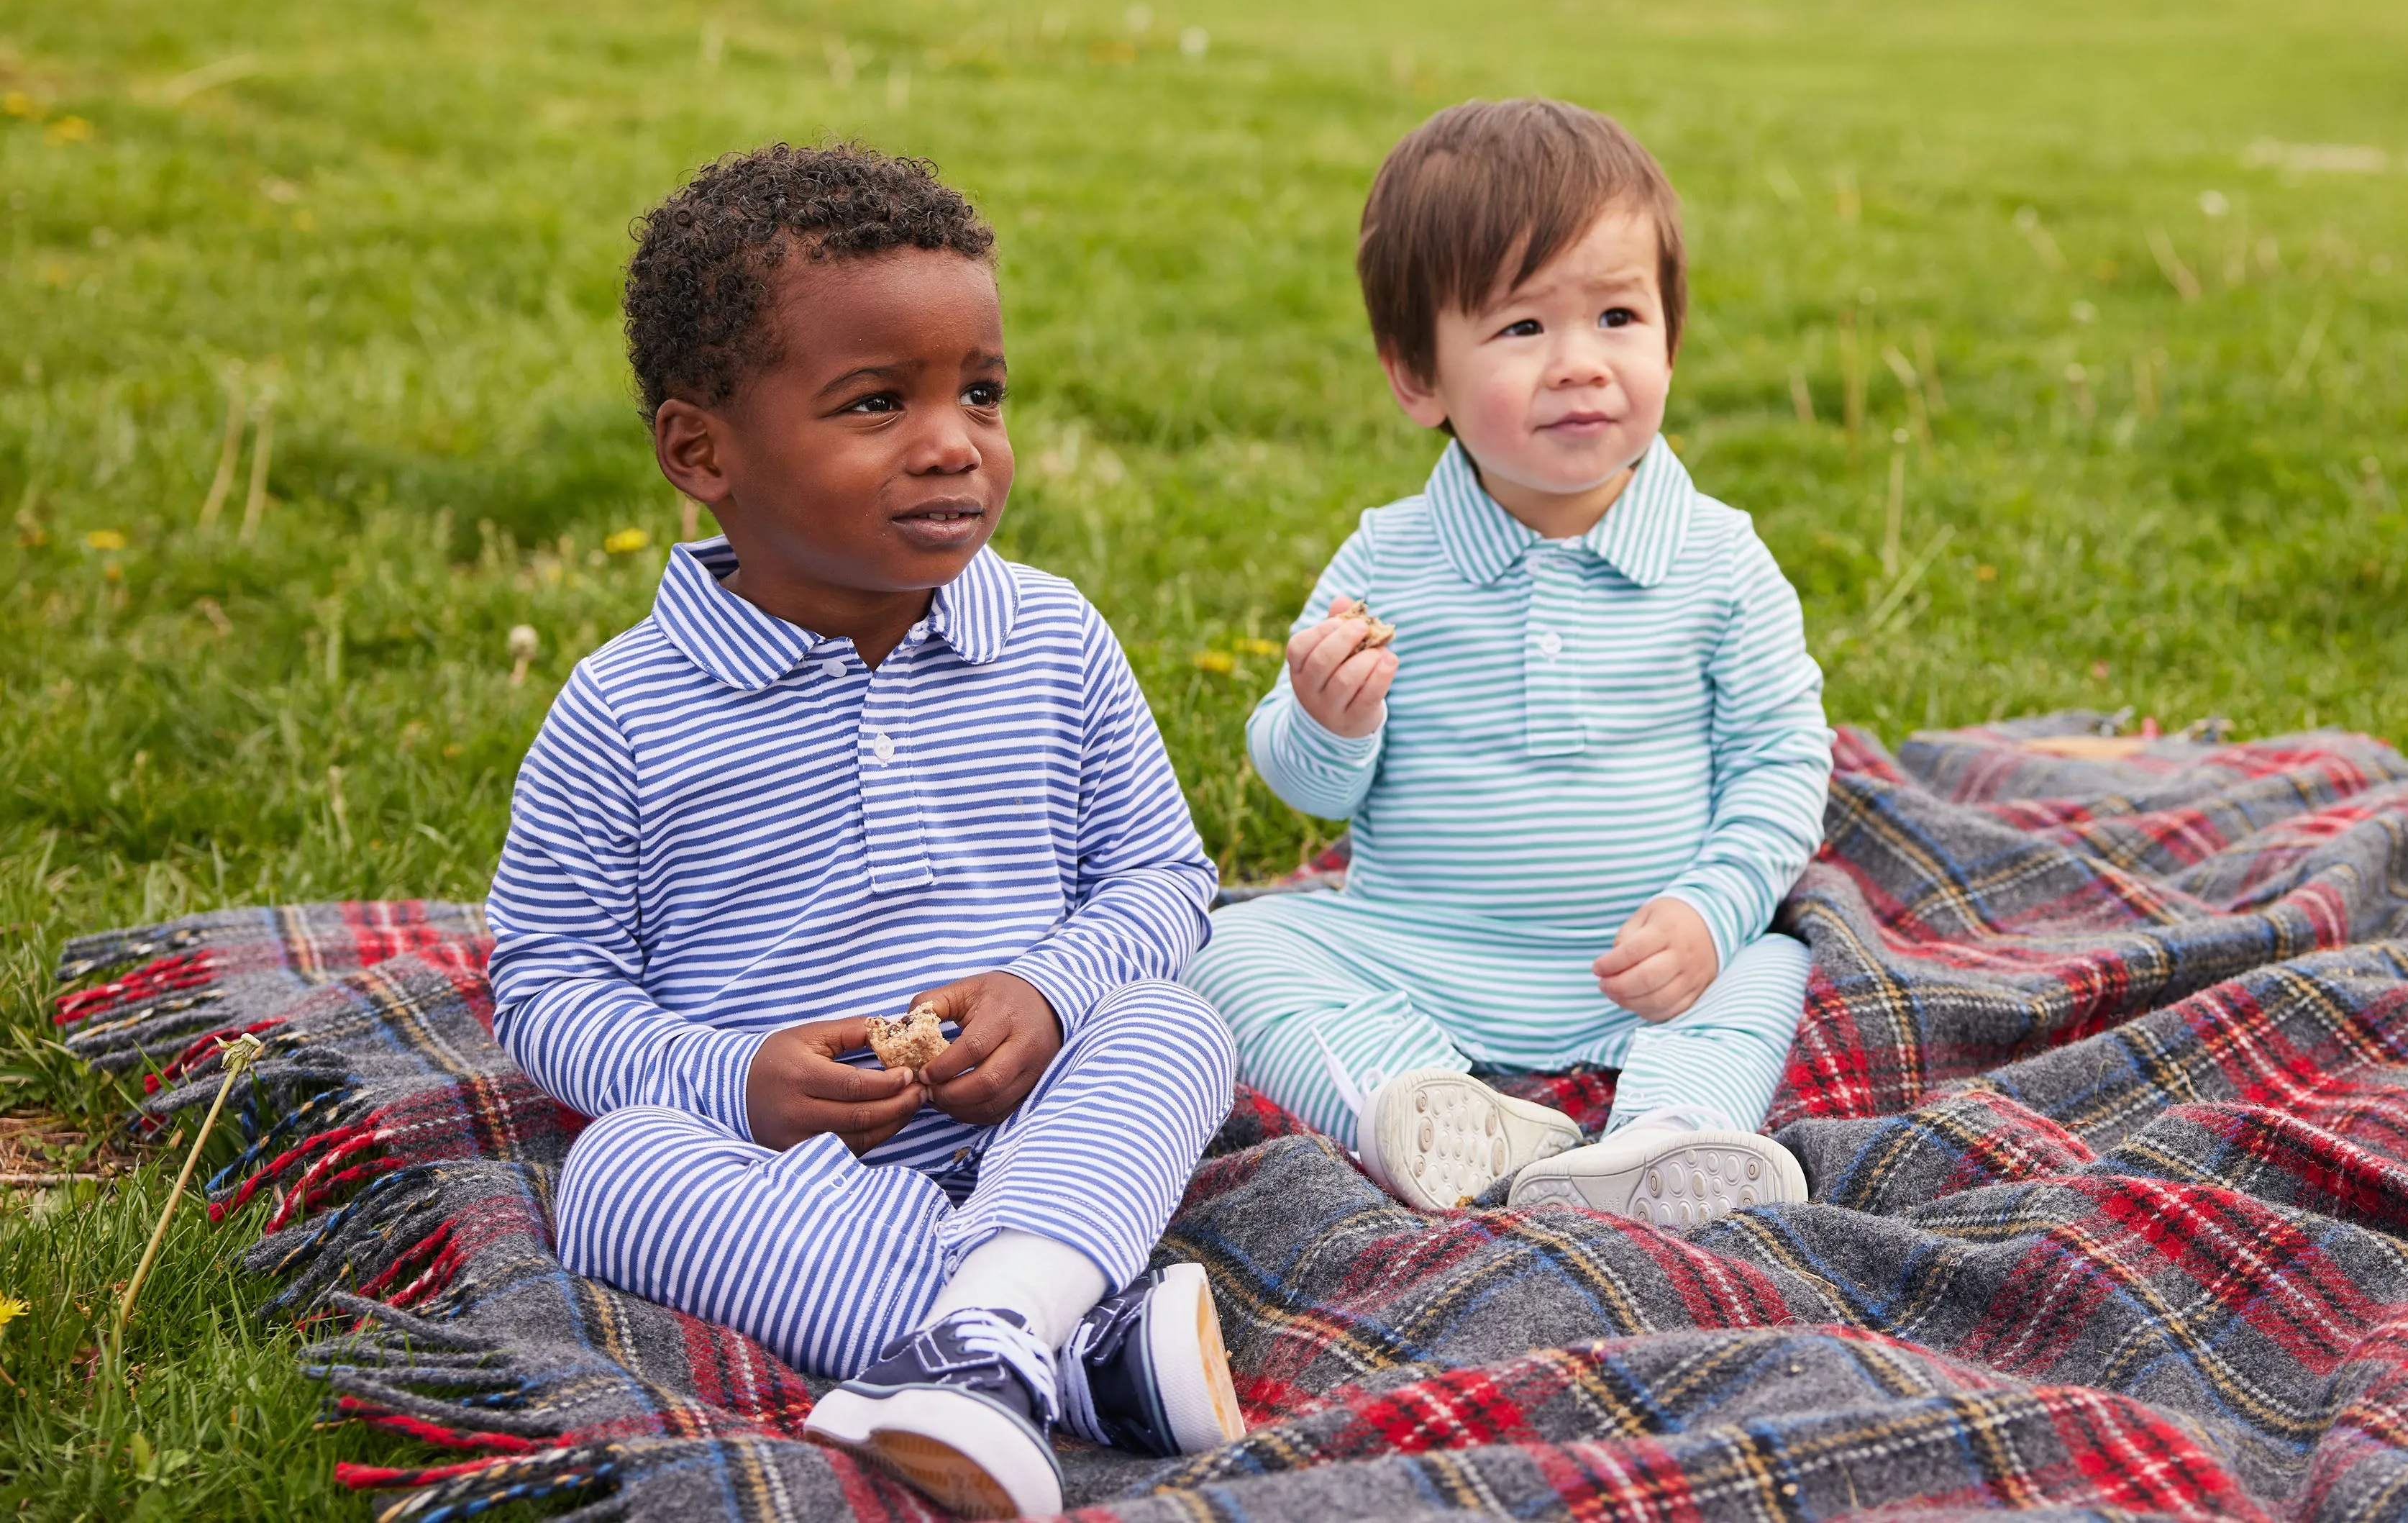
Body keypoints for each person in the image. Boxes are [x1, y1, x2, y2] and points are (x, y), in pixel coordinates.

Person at [485, 145, 1241, 1521]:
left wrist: (1049, 992)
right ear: (700, 451)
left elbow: (1161, 878)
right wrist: (731, 1079)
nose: (955, 440)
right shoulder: (627, 710)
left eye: (983, 392)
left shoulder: (1055, 640)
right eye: (878, 402)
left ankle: (988, 1335)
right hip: (786, 1167)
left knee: (1177, 1025)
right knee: (610, 1173)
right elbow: (546, 982)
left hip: (1047, 1114)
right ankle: (1052, 1343)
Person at [1191, 99, 1831, 1224]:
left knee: (1774, 964)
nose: (1580, 364)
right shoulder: (1389, 557)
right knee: (1228, 944)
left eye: (1618, 315)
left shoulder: (1717, 555)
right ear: (1416, 378)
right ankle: (1415, 1101)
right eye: (1523, 328)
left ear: (1671, 340)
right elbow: (1307, 786)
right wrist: (1326, 721)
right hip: (1416, 953)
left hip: (1647, 966)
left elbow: (1782, 761)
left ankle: (1663, 1136)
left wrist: (1710, 911)